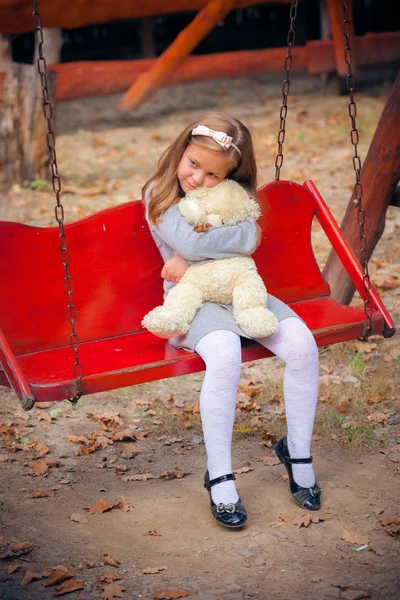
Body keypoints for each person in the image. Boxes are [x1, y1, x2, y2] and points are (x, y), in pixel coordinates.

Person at [143, 112, 321, 529]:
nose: (198, 178)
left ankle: (297, 453)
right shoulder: (158, 192)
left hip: (242, 288)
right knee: (224, 355)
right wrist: (191, 249)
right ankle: (220, 476)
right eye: (193, 164)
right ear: (180, 151)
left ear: (230, 174)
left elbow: (251, 238)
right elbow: (189, 238)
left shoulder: (235, 195)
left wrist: (192, 253)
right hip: (192, 300)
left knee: (302, 347)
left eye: (212, 173)